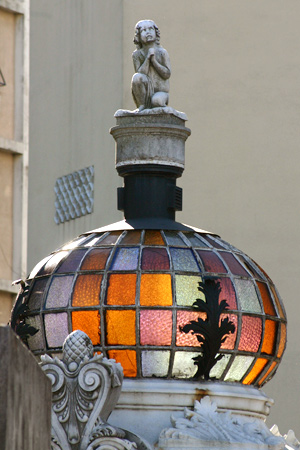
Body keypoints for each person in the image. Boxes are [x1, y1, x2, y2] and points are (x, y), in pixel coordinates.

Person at [131, 20, 171, 111]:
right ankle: (142, 105)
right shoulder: (136, 55)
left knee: (156, 102)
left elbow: (167, 74)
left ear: (156, 33)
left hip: (160, 92)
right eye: (144, 30)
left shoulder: (162, 52)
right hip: (145, 92)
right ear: (138, 36)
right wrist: (148, 59)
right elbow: (140, 75)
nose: (148, 32)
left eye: (150, 29)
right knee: (136, 77)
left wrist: (154, 62)